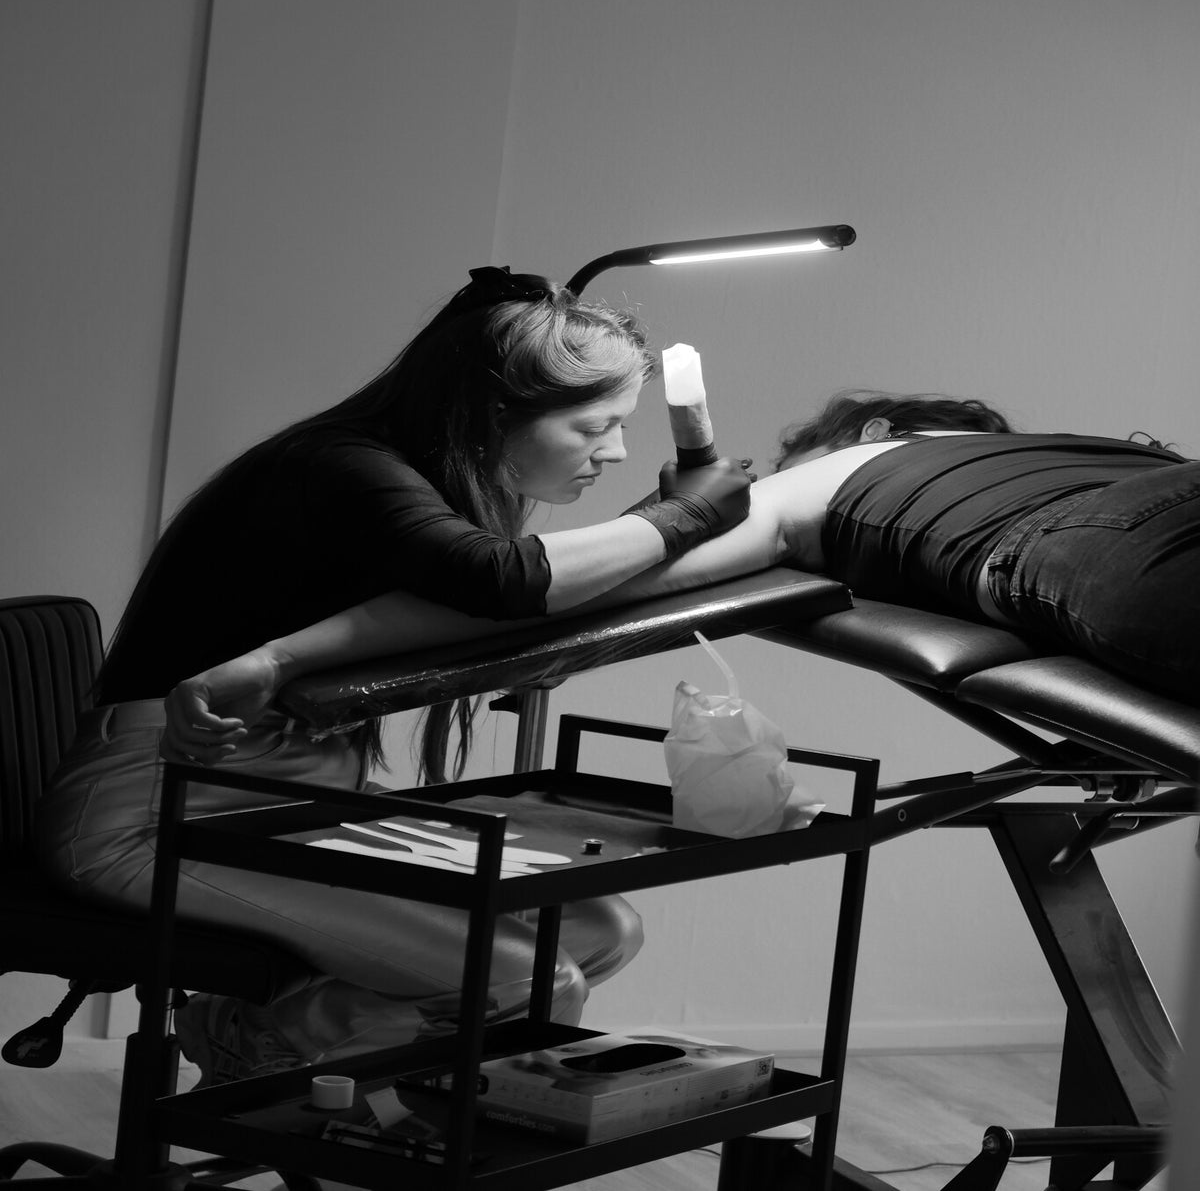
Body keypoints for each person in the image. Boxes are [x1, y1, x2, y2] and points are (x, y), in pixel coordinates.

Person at [33, 266, 754, 1086]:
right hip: (156, 815)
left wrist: (672, 526)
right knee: (528, 978)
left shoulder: (410, 480)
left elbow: (511, 591)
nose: (616, 451)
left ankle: (259, 1036)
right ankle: (298, 1074)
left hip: (293, 797)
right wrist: (683, 515)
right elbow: (500, 578)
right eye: (596, 425)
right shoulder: (341, 467)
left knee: (598, 929)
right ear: (492, 412)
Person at [165, 390, 1198, 783]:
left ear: (873, 436)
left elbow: (532, 590)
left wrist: (281, 655)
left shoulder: (845, 473)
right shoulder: (1095, 447)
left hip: (1100, 547)